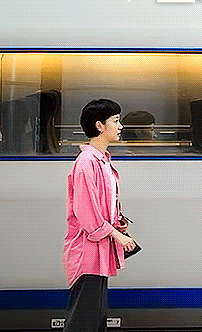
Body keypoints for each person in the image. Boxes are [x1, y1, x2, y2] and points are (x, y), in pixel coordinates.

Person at [63, 99, 137, 332]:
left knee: (94, 320)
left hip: (98, 253)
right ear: (99, 126)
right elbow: (86, 213)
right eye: (115, 120)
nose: (120, 126)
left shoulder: (102, 161)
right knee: (84, 322)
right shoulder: (87, 163)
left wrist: (118, 225)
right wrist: (116, 235)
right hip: (88, 254)